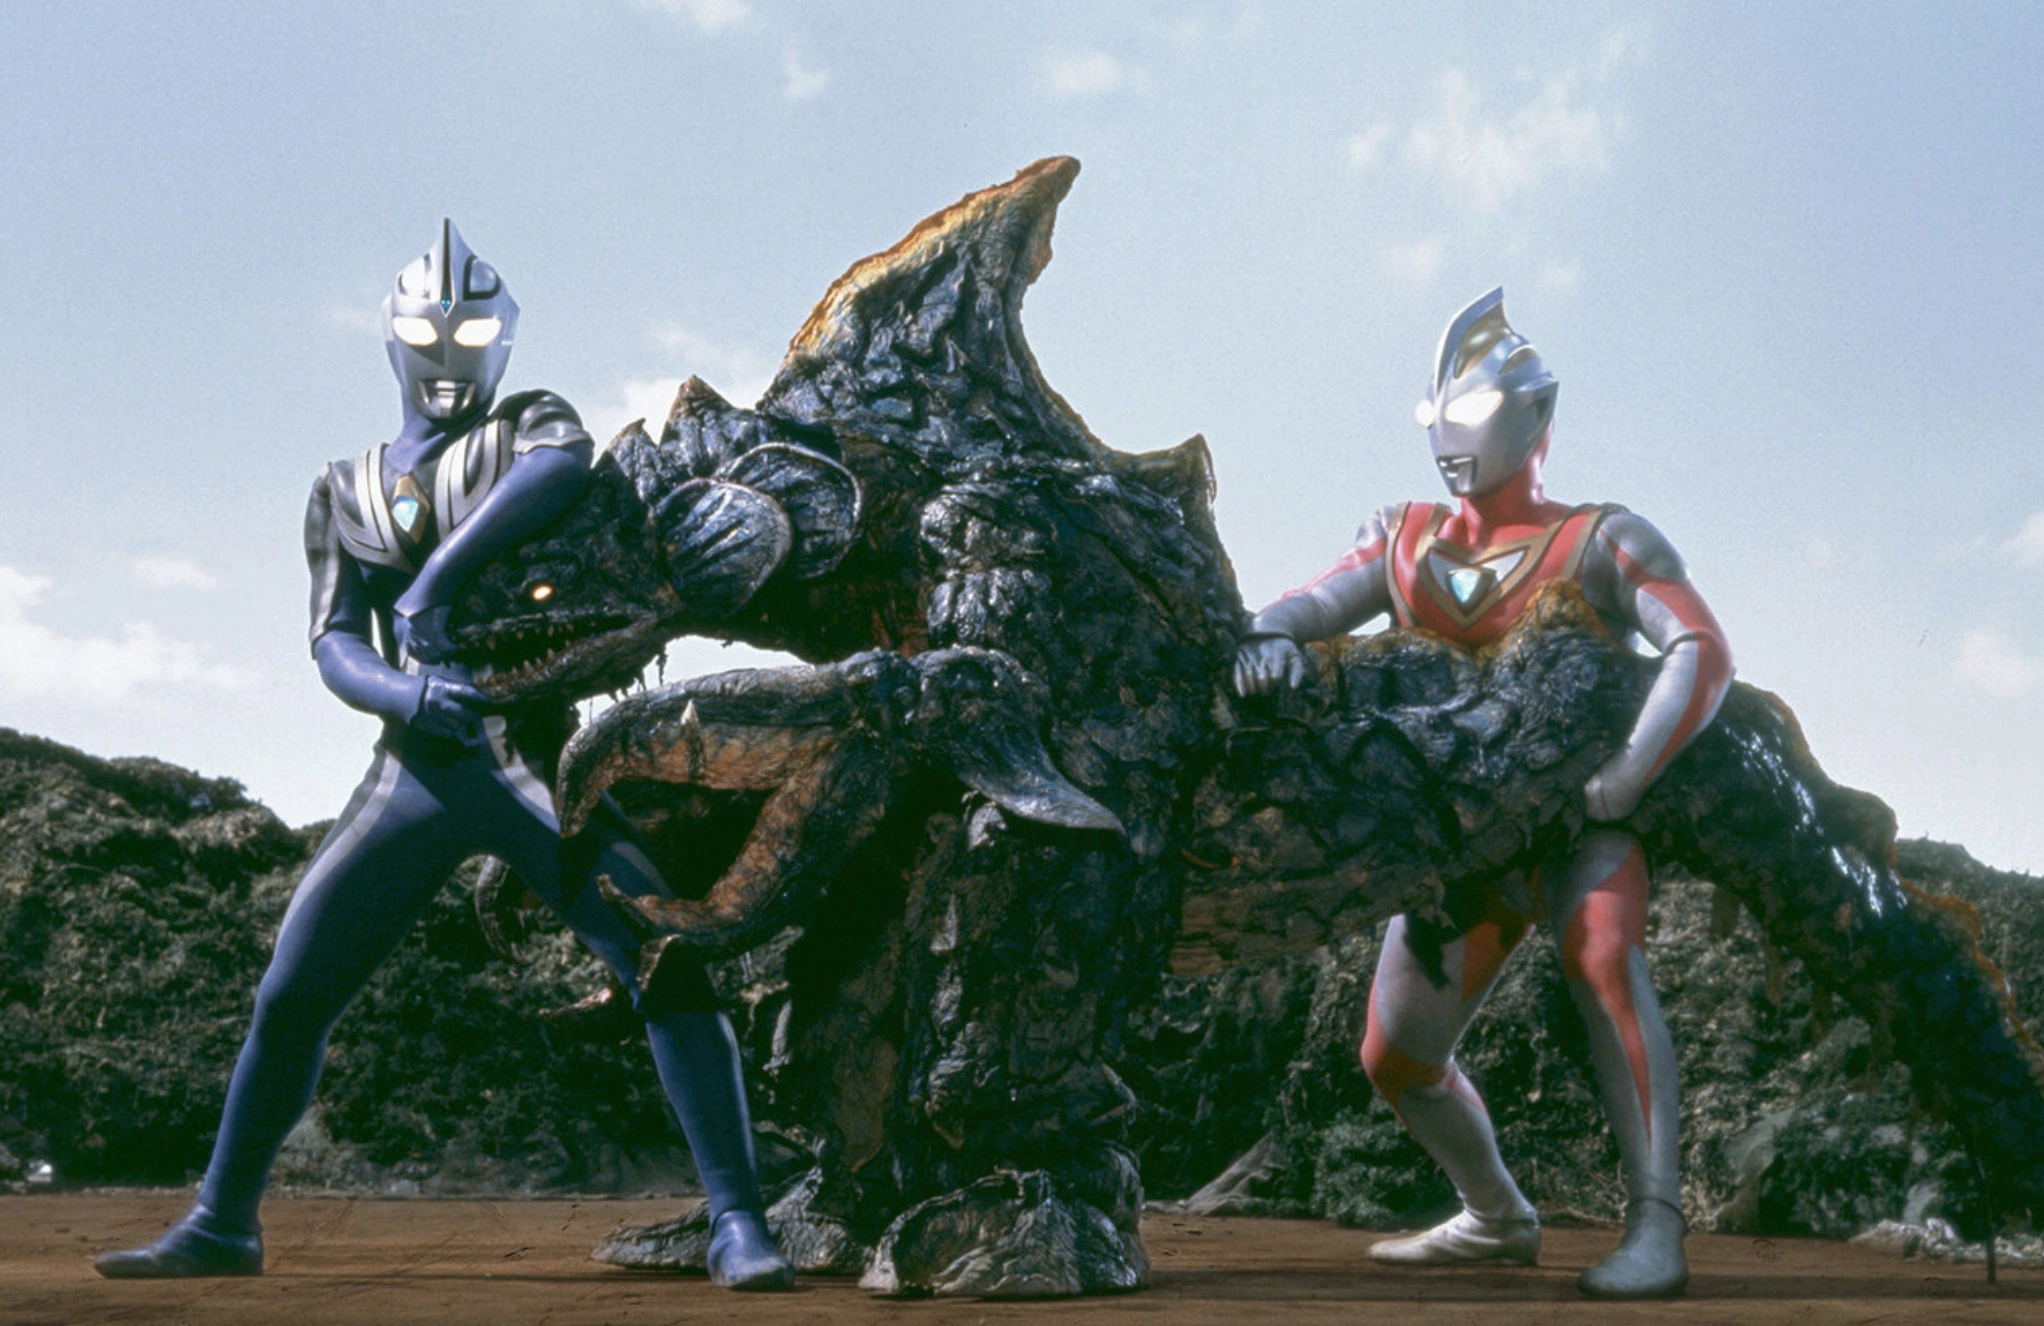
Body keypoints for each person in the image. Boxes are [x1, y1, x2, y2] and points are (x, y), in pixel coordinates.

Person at [96, 222, 793, 1290]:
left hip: (537, 762)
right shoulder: (343, 487)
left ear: (500, 339)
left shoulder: (530, 427)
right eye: (429, 332)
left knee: (665, 959)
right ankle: (223, 1219)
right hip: (413, 770)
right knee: (291, 994)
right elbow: (334, 638)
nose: (447, 353)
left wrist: (431, 585)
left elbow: (560, 467)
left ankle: (739, 1219)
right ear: (394, 337)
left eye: (470, 333)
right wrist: (406, 689)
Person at [1234, 289, 1732, 1299]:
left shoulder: (1601, 539)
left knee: (1602, 956)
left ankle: (1657, 1223)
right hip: (1457, 846)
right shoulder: (1405, 537)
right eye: (1438, 414)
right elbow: (1312, 603)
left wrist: (1623, 778)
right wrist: (1267, 639)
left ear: (1535, 414)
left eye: (1470, 411)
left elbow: (1699, 646)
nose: (1450, 437)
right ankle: (1496, 1215)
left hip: (1575, 823)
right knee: (1395, 1055)